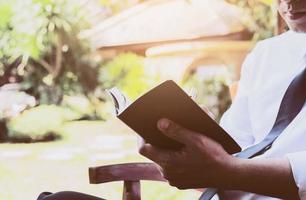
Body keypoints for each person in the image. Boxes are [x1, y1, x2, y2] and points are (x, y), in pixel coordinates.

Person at [37, 0, 306, 199]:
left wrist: (226, 171)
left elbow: (231, 169)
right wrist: (193, 144)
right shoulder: (266, 54)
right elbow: (237, 151)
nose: (289, 3)